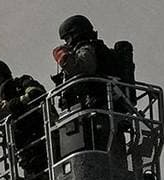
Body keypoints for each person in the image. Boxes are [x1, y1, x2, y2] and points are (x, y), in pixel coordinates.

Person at [52, 15, 137, 155]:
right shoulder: (95, 49)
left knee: (100, 158)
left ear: (75, 35)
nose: (67, 44)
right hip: (98, 118)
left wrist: (63, 57)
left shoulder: (87, 48)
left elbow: (83, 67)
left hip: (98, 117)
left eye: (67, 39)